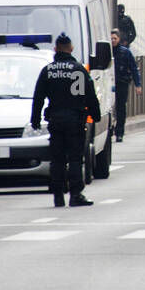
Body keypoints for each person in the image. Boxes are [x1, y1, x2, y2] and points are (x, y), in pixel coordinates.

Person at [31, 33, 101, 208]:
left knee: (57, 159)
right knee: (75, 158)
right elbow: (90, 96)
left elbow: (38, 97)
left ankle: (57, 194)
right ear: (71, 48)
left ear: (55, 49)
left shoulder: (48, 70)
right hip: (75, 120)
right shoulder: (79, 69)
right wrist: (96, 115)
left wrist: (35, 119)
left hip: (55, 120)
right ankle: (76, 194)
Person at [111, 28, 142, 142]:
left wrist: (138, 84)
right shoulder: (107, 52)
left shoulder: (125, 52)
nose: (113, 41)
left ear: (119, 39)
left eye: (115, 38)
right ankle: (110, 129)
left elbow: (133, 68)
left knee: (120, 108)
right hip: (109, 84)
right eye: (111, 39)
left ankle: (119, 132)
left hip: (121, 83)